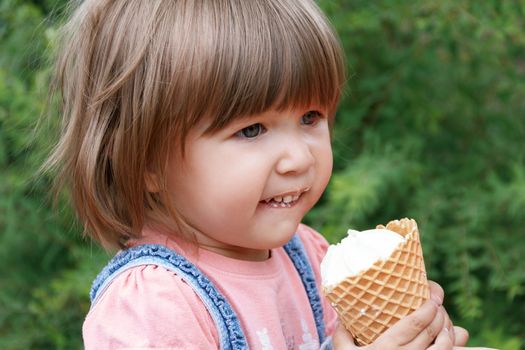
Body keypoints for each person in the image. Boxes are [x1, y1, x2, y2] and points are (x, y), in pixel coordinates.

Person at [46, 0, 479, 348]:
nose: (298, 158)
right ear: (145, 161)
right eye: (251, 129)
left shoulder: (309, 256)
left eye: (311, 116)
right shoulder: (154, 307)